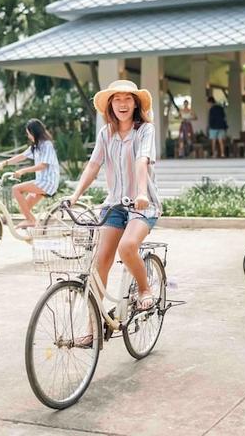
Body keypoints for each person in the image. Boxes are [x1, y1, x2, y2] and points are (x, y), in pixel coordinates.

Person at [68, 79, 161, 321]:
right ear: (110, 104)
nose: (122, 103)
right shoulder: (105, 133)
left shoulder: (145, 130)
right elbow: (93, 165)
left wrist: (142, 193)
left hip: (143, 204)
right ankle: (94, 329)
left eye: (128, 98)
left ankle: (144, 289)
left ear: (135, 104)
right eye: (117, 99)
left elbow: (142, 162)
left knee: (127, 246)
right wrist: (75, 195)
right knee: (100, 264)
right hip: (114, 204)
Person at [0, 119, 60, 229]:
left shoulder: (47, 145)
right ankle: (35, 232)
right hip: (41, 182)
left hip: (48, 183)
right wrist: (4, 163)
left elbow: (43, 165)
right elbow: (22, 156)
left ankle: (31, 221)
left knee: (16, 189)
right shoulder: (36, 146)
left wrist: (23, 171)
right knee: (25, 207)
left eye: (29, 133)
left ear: (34, 132)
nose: (28, 136)